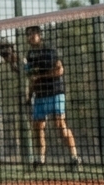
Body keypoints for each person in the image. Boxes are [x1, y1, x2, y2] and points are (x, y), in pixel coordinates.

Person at [20, 25, 81, 171]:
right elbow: (30, 77)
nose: (31, 36)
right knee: (38, 126)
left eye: (34, 33)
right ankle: (40, 160)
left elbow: (59, 70)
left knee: (60, 125)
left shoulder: (50, 50)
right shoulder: (30, 55)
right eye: (28, 34)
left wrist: (40, 76)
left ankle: (74, 158)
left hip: (55, 92)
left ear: (40, 35)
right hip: (40, 95)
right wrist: (29, 95)